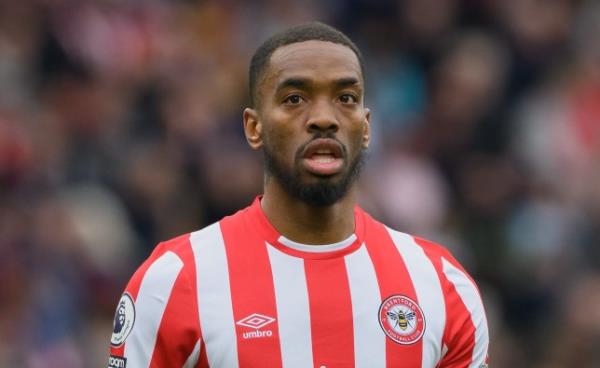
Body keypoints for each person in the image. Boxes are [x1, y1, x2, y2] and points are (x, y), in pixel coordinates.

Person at [107, 22, 489, 368]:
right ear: (253, 128)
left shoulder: (441, 286)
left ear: (367, 127)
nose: (324, 117)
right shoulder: (175, 281)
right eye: (294, 99)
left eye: (346, 98)